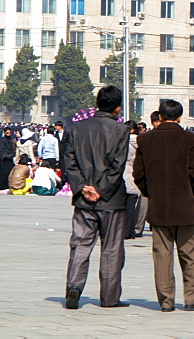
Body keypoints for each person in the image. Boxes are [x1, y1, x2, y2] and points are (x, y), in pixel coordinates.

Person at [133, 99, 194, 312]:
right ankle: (193, 299)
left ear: (160, 116)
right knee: (189, 253)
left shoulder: (146, 140)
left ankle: (166, 301)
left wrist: (151, 193)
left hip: (159, 206)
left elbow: (138, 174)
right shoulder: (191, 139)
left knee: (162, 256)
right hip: (185, 205)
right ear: (180, 117)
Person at [62, 85, 131, 309]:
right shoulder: (120, 130)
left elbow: (69, 161)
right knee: (111, 248)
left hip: (83, 200)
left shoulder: (77, 127)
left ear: (97, 104)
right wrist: (100, 189)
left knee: (80, 244)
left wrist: (83, 186)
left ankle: (74, 286)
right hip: (110, 200)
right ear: (118, 108)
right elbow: (117, 166)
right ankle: (109, 298)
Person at [123, 120, 147, 239]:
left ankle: (126, 231)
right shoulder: (142, 142)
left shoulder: (125, 142)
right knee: (133, 205)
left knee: (126, 205)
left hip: (125, 173)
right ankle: (132, 230)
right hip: (136, 174)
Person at [0, 126, 15, 190]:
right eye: (7, 133)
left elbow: (12, 149)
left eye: (10, 133)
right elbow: (2, 150)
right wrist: (5, 156)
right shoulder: (2, 140)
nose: (9, 134)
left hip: (10, 160)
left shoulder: (11, 140)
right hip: (4, 160)